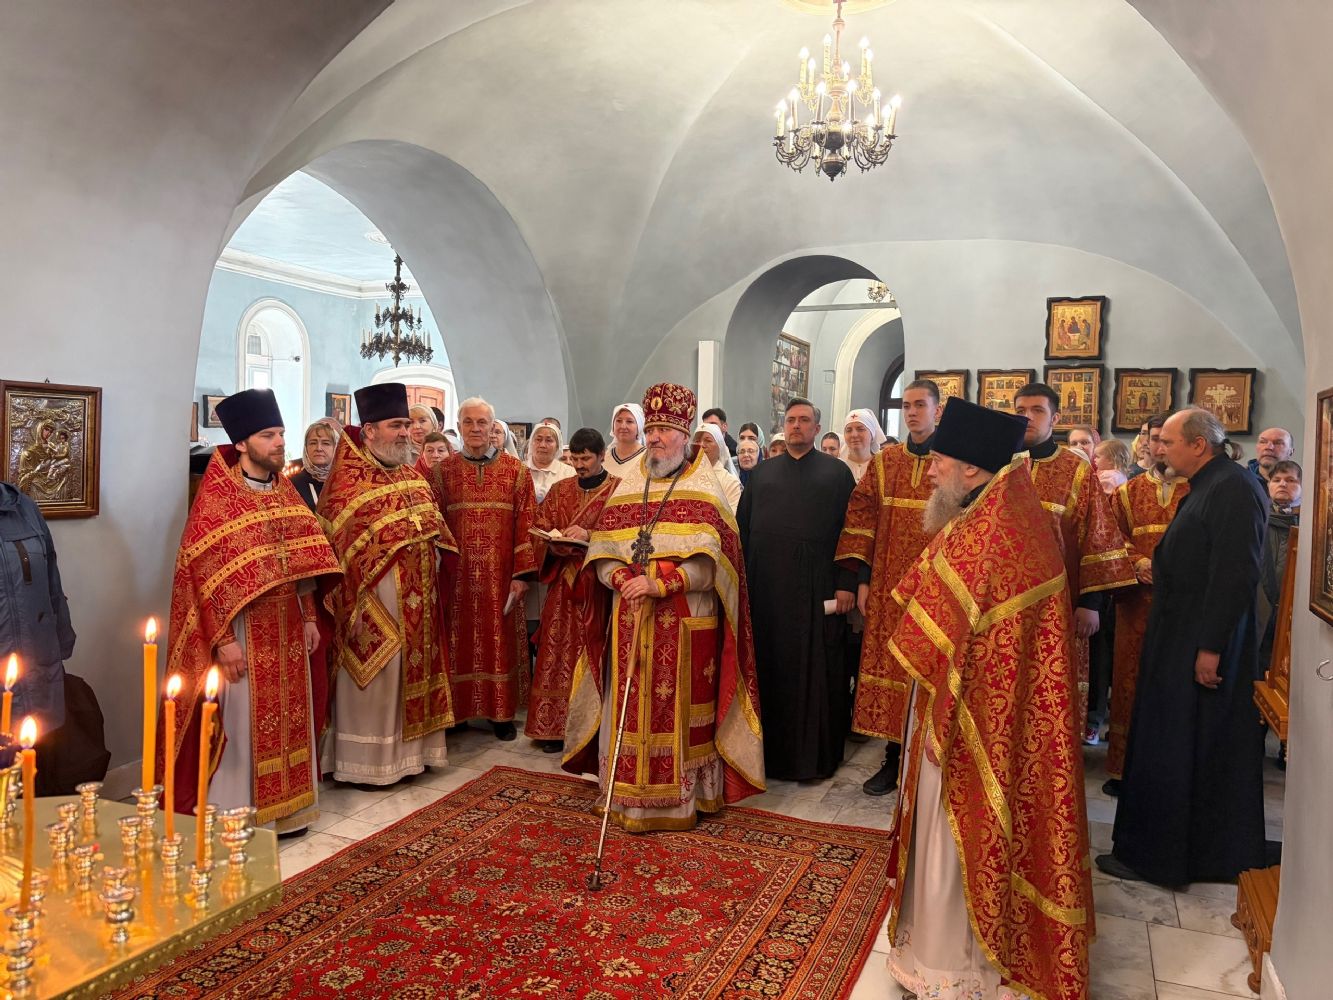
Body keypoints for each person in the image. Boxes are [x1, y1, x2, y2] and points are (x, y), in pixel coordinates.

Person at [886, 397, 1090, 1000]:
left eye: (938, 462)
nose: (927, 472)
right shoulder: (1002, 510)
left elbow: (933, 628)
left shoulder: (997, 526)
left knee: (960, 828)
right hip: (974, 700)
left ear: (971, 469)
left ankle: (954, 964)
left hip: (975, 714)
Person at [565, 382, 764, 831]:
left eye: (665, 430)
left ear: (686, 433)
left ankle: (681, 802)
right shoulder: (629, 484)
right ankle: (625, 796)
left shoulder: (707, 488)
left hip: (687, 621)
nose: (654, 439)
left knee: (678, 712)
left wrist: (663, 584)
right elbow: (601, 554)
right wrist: (620, 577)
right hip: (630, 615)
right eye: (650, 429)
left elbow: (719, 567)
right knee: (629, 703)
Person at [1098, 408, 1269, 886]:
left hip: (1200, 640)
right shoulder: (1211, 484)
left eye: (1168, 442)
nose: (1158, 449)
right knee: (1174, 740)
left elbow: (1237, 575)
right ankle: (1177, 849)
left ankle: (1164, 856)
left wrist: (1210, 647)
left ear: (1199, 444)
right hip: (1181, 634)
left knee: (1180, 742)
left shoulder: (1232, 487)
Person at [166, 388, 340, 830]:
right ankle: (239, 814)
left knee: (292, 719)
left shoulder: (286, 494)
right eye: (268, 435)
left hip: (287, 624)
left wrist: (309, 616)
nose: (280, 443)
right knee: (243, 724)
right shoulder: (217, 502)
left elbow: (302, 560)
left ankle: (291, 811)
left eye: (281, 433)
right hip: (242, 630)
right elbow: (202, 579)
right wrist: (222, 641)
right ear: (242, 443)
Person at [319, 383, 457, 784]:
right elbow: (337, 554)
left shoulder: (414, 479)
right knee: (377, 679)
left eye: (407, 424)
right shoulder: (348, 485)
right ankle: (368, 764)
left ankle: (411, 757)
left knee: (406, 673)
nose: (404, 432)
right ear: (369, 431)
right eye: (396, 425)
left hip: (419, 601)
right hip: (371, 602)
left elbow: (438, 533)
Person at [738, 398, 857, 780]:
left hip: (817, 589)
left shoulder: (838, 474)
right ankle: (767, 757)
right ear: (783, 426)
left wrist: (847, 584)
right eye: (791, 421)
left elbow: (852, 535)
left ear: (817, 428)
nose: (797, 427)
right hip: (767, 591)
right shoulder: (761, 475)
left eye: (805, 421)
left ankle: (814, 760)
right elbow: (741, 532)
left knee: (818, 672)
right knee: (769, 670)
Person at [835, 380, 940, 796]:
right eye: (907, 406)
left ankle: (928, 767)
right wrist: (861, 580)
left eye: (920, 405)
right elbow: (862, 522)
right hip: (886, 588)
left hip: (937, 590)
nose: (912, 412)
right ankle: (893, 761)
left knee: (928, 672)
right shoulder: (886, 463)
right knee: (890, 670)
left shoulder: (951, 462)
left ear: (937, 410)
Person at [1013, 384, 1135, 737]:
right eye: (1020, 410)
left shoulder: (1075, 470)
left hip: (1060, 603)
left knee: (1052, 686)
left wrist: (1091, 603)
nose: (1026, 417)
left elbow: (1098, 536)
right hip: (1004, 602)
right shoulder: (1001, 464)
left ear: (1056, 417)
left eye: (1036, 410)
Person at [428, 397, 538, 741]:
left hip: (500, 577)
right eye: (468, 423)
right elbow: (435, 523)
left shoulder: (516, 471)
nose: (475, 429)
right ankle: (457, 713)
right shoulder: (442, 473)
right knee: (457, 642)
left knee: (498, 641)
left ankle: (500, 714)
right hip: (457, 579)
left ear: (494, 429)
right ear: (459, 428)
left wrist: (521, 576)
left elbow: (527, 525)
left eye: (482, 423)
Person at [1102, 414, 1190, 793]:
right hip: (1135, 602)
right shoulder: (1128, 492)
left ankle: (1169, 768)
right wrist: (1137, 562)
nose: (1158, 447)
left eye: (1166, 440)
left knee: (1174, 680)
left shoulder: (1198, 491)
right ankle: (1123, 768)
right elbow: (1109, 537)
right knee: (1128, 680)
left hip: (1182, 604)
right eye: (1153, 439)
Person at [524, 428, 619, 752]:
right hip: (562, 586)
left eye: (586, 459)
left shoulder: (617, 491)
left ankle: (592, 728)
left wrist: (590, 534)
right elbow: (538, 528)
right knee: (555, 652)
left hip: (596, 588)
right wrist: (552, 539)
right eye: (575, 458)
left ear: (601, 455)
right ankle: (552, 728)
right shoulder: (559, 489)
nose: (579, 465)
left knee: (592, 654)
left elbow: (623, 535)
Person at [0, 479, 75, 734]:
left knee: (34, 760)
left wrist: (63, 639)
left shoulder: (25, 508)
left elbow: (52, 585)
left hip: (37, 668)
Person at [1258, 459, 1301, 654]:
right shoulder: (1255, 518)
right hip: (1258, 608)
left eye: (1291, 480)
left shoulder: (1312, 523)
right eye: (1277, 480)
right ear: (1268, 485)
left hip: (1295, 613)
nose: (1283, 484)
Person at [289, 418, 340, 512]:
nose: (319, 448)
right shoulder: (291, 485)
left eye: (326, 443)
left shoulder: (344, 482)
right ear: (306, 448)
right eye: (313, 443)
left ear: (336, 448)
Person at [692, 423, 743, 511]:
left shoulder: (730, 483)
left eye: (708, 441)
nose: (701, 445)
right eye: (697, 441)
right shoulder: (683, 476)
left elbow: (733, 519)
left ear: (720, 447)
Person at [526, 420, 575, 504]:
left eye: (549, 440)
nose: (542, 445)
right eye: (538, 439)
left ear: (557, 446)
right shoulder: (519, 469)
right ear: (531, 443)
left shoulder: (570, 473)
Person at [841, 408, 887, 483]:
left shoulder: (883, 466)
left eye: (860, 429)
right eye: (849, 430)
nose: (854, 435)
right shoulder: (837, 466)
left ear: (872, 434)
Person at [606, 402, 646, 478]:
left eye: (629, 421)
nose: (623, 426)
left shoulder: (648, 459)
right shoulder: (603, 459)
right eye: (619, 421)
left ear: (639, 427)